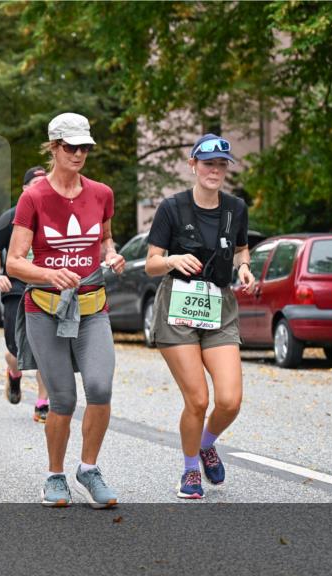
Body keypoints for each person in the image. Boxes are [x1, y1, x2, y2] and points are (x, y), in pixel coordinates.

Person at [6, 112, 126, 509]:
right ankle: (54, 476)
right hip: (45, 309)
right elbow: (14, 262)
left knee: (101, 387)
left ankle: (88, 469)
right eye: (71, 147)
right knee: (62, 399)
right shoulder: (34, 196)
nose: (79, 154)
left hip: (93, 307)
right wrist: (48, 273)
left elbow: (106, 239)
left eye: (85, 147)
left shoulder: (102, 193)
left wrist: (113, 255)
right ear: (54, 148)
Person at [144, 134, 255, 500]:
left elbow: (241, 248)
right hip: (178, 307)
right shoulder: (172, 208)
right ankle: (190, 470)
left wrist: (244, 268)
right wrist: (173, 260)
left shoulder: (235, 208)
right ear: (193, 165)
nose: (215, 170)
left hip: (218, 306)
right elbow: (150, 264)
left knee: (230, 400)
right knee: (198, 400)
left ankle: (207, 444)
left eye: (221, 164)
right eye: (208, 164)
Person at [0, 166, 52, 422]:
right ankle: (14, 374)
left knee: (46, 348)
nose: (41, 187)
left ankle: (42, 403)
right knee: (15, 351)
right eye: (35, 183)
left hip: (47, 287)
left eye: (45, 182)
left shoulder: (55, 215)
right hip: (15, 289)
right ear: (25, 189)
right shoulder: (11, 216)